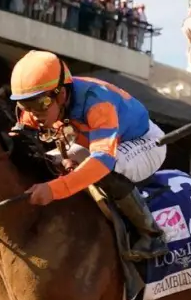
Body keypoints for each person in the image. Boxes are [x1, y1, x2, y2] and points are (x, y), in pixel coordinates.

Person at [9, 50, 168, 258]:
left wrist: (55, 189)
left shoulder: (97, 102)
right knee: (47, 161)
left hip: (143, 142)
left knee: (108, 171)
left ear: (62, 94)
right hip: (94, 144)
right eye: (25, 105)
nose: (34, 114)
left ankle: (152, 236)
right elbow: (17, 141)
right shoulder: (39, 105)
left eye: (40, 104)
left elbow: (102, 161)